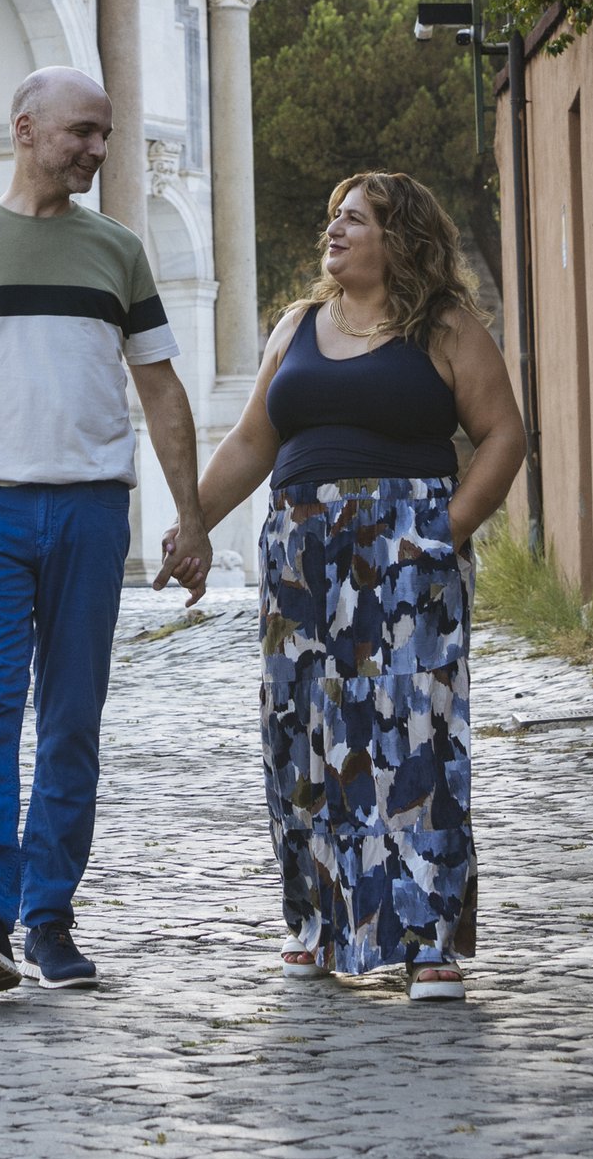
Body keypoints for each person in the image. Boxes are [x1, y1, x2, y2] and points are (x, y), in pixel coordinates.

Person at [0, 67, 212, 995]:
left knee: (70, 720)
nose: (98, 151)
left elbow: (161, 389)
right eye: (82, 133)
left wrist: (188, 515)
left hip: (93, 511)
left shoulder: (118, 251)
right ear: (25, 129)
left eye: (105, 134)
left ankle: (50, 914)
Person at [174, 172, 527, 1003]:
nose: (334, 230)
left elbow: (503, 434)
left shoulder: (444, 328)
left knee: (411, 731)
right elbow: (253, 439)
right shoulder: (297, 326)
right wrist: (191, 524)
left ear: (398, 240)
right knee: (301, 731)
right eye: (332, 216)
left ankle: (428, 935)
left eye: (355, 219)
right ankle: (317, 920)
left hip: (406, 553)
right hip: (301, 553)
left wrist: (444, 535)